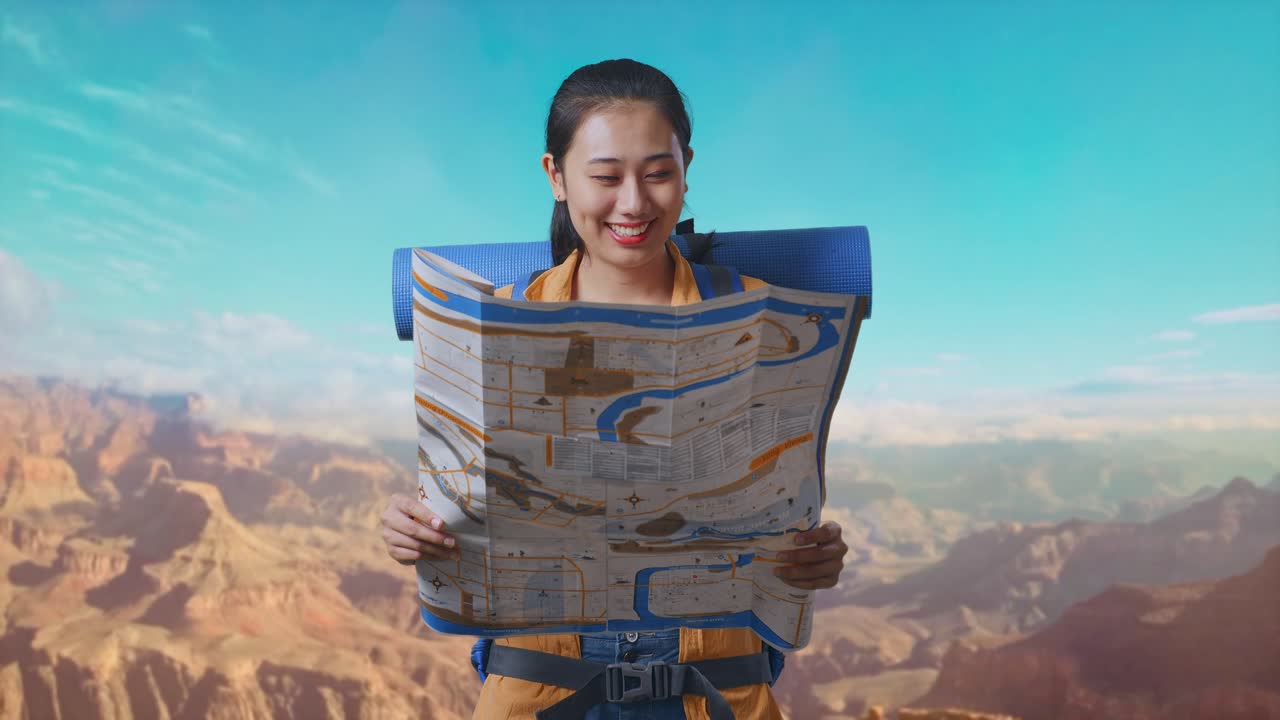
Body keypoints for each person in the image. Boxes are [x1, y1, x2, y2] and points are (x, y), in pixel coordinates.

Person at [381, 58, 851, 720]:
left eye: (658, 173)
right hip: (539, 696)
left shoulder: (765, 324)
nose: (633, 202)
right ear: (556, 176)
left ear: (687, 167)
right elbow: (466, 506)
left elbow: (776, 511)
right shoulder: (492, 331)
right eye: (605, 177)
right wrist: (414, 530)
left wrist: (808, 559)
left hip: (718, 696)